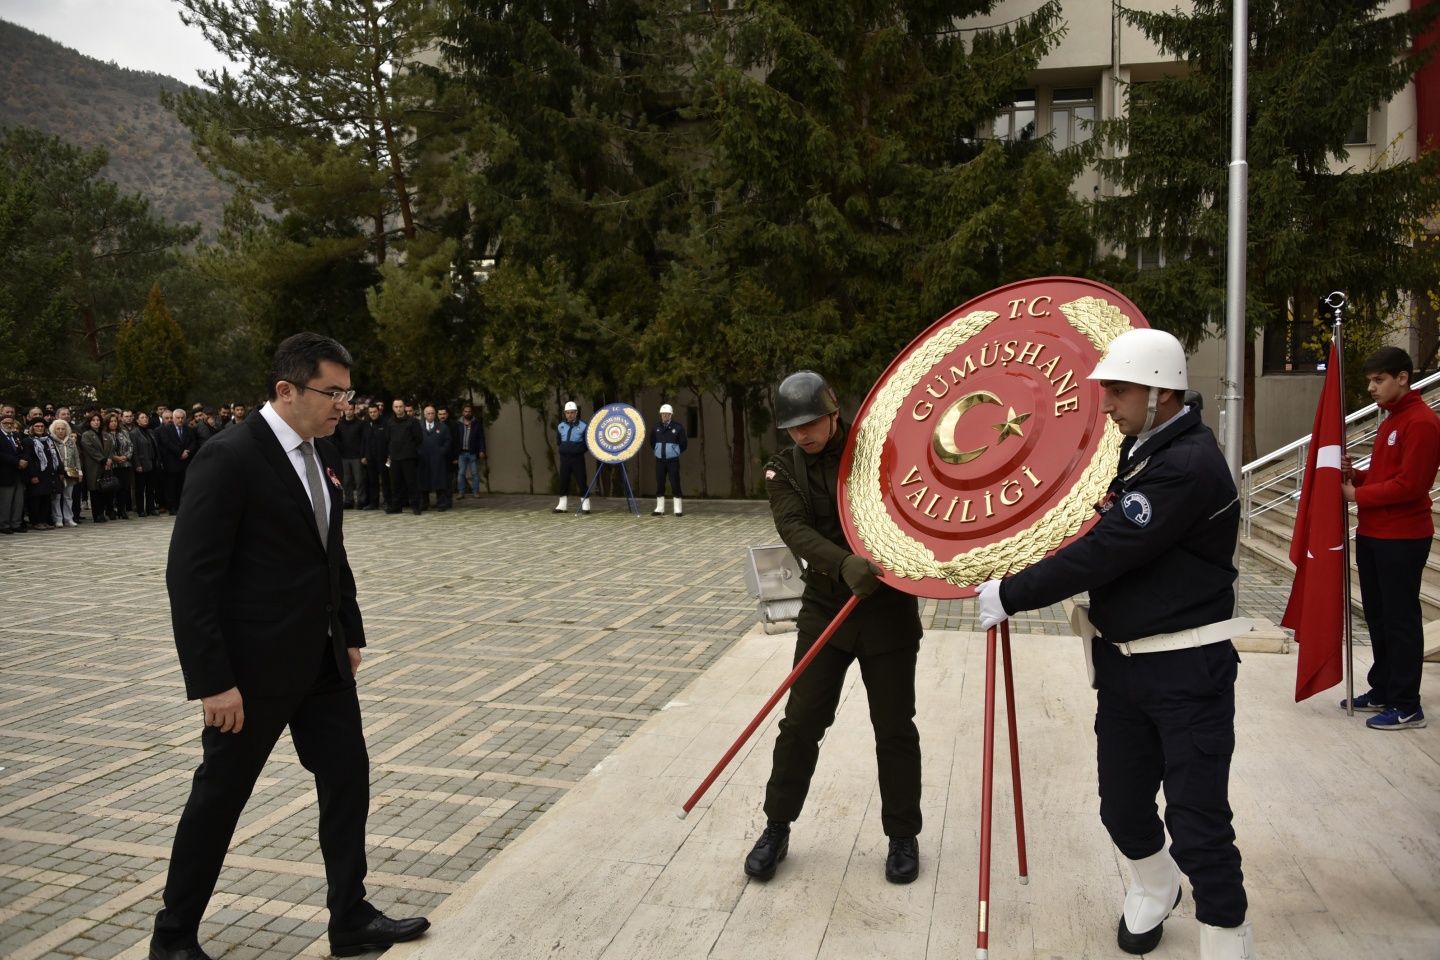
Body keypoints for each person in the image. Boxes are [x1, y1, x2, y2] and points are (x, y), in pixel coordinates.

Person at [149, 333, 430, 960]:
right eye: (333, 393)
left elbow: (330, 549)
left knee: (347, 778)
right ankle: (173, 938)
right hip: (250, 676)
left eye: (348, 394)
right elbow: (190, 578)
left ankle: (350, 918)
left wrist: (349, 631)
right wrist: (212, 681)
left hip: (323, 662)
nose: (344, 407)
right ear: (286, 390)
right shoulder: (229, 456)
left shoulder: (319, 452)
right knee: (220, 797)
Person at [977, 328, 1254, 960]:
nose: (1107, 405)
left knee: (1198, 825)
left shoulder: (1186, 464)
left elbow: (1108, 550)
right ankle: (1156, 887)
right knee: (1123, 809)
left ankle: (1227, 939)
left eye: (1119, 391)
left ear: (1161, 393)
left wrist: (1012, 594)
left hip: (1186, 670)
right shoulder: (1145, 449)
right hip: (1126, 670)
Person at [744, 371, 924, 886]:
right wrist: (843, 563)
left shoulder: (876, 453)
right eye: (792, 427)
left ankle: (902, 835)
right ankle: (776, 827)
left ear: (833, 412)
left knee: (894, 728)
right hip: (826, 607)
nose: (802, 433)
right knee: (801, 722)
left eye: (811, 422)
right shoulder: (783, 469)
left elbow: (915, 504)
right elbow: (794, 528)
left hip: (887, 611)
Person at [1340, 346, 1439, 731]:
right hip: (1374, 532)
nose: (1371, 388)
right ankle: (1382, 689)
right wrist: (1358, 476)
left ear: (1403, 377)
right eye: (1369, 380)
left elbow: (1412, 485)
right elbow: (1387, 476)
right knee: (1379, 617)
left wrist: (1356, 495)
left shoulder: (1422, 422)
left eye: (1378, 380)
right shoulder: (1392, 420)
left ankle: (1407, 704)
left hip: (1403, 537)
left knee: (1400, 621)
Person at [386, 399, 424, 515]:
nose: (398, 409)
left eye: (400, 406)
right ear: (393, 408)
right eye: (396, 407)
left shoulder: (412, 421)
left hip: (408, 457)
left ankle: (415, 506)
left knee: (411, 483)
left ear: (404, 407)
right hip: (395, 458)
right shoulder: (390, 422)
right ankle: (396, 506)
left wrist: (409, 446)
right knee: (395, 483)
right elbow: (387, 438)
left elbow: (419, 438)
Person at [156, 409, 198, 515]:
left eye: (182, 418)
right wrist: (180, 453)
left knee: (182, 486)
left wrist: (187, 451)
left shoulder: (189, 430)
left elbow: (193, 442)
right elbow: (167, 443)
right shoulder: (166, 429)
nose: (180, 420)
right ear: (174, 418)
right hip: (172, 462)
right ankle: (172, 507)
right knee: (171, 486)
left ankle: (181, 506)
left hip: (185, 463)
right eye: (178, 418)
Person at [649, 402, 688, 516]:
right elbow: (652, 442)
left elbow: (683, 443)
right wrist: (658, 451)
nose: (664, 415)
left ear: (671, 415)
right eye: (663, 413)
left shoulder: (678, 427)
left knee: (675, 482)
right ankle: (660, 508)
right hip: (660, 460)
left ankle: (677, 509)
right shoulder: (656, 427)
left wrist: (674, 452)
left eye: (666, 414)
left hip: (672, 460)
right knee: (660, 482)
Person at [554, 401, 590, 514]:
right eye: (568, 413)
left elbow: (587, 443)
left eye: (572, 412)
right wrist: (565, 449)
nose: (570, 415)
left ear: (576, 413)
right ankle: (562, 505)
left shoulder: (583, 426)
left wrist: (578, 450)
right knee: (564, 480)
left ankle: (585, 505)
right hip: (565, 457)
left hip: (577, 457)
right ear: (565, 413)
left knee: (581, 480)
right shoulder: (561, 426)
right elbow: (559, 441)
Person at [79, 413, 116, 524]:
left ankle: (103, 512)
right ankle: (97, 515)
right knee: (95, 490)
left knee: (104, 489)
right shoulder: (86, 435)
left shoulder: (105, 434)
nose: (96, 422)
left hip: (107, 465)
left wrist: (109, 459)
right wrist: (103, 460)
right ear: (89, 422)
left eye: (98, 420)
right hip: (94, 465)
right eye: (93, 420)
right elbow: (90, 450)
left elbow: (111, 448)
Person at [25, 417, 60, 529]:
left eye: (42, 426)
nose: (39, 428)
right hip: (37, 473)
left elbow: (55, 456)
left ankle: (45, 520)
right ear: (32, 428)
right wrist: (33, 475)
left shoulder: (48, 440)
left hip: (49, 473)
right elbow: (29, 459)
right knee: (36, 498)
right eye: (37, 426)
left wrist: (59, 471)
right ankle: (36, 521)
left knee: (46, 497)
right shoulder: (28, 441)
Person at [417, 405, 452, 511]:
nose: (430, 415)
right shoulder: (418, 426)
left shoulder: (442, 427)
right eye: (428, 413)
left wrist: (442, 451)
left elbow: (448, 441)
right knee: (423, 481)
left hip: (438, 459)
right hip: (422, 458)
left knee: (439, 481)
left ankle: (441, 503)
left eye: (432, 413)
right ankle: (423, 503)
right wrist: (418, 451)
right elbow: (412, 440)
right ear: (424, 414)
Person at [0, 412, 29, 533]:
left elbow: (25, 450)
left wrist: (24, 460)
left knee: (18, 501)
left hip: (20, 473)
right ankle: (4, 524)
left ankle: (16, 523)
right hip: (5, 473)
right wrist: (17, 461)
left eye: (11, 423)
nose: (8, 425)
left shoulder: (17, 435)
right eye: (5, 423)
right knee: (6, 501)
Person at [335, 403, 367, 509]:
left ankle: (361, 500)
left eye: (351, 409)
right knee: (346, 480)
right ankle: (349, 500)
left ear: (354, 410)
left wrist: (363, 455)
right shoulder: (339, 424)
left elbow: (364, 440)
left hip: (357, 456)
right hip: (344, 456)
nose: (349, 412)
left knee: (359, 480)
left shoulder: (360, 423)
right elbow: (336, 439)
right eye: (347, 410)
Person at [50, 417, 80, 527]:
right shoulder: (51, 441)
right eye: (58, 429)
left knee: (68, 496)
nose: (60, 431)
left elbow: (76, 457)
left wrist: (79, 472)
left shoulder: (71, 441)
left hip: (70, 472)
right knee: (56, 497)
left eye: (63, 429)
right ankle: (57, 518)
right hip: (57, 473)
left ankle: (68, 518)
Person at [132, 411, 161, 517]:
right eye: (142, 417)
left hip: (152, 462)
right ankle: (140, 509)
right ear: (137, 420)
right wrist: (137, 464)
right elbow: (134, 451)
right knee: (140, 488)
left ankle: (150, 508)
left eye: (146, 417)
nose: (145, 419)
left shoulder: (150, 431)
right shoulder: (134, 433)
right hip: (142, 463)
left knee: (151, 487)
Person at [362, 402, 390, 510]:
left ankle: (388, 501)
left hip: (383, 457)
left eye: (374, 412)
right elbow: (363, 440)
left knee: (385, 481)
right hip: (370, 457)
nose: (373, 414)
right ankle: (374, 502)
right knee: (372, 481)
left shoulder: (385, 423)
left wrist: (389, 455)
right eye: (371, 412)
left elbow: (389, 440)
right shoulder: (366, 423)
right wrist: (363, 455)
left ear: (379, 411)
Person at [106, 412, 134, 520]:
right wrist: (114, 457)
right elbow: (105, 449)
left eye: (115, 421)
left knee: (123, 488)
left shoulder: (123, 432)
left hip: (124, 464)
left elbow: (130, 445)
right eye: (111, 421)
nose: (113, 423)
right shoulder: (105, 434)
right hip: (112, 465)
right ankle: (110, 510)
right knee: (112, 489)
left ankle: (122, 510)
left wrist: (126, 456)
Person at [456, 404, 486, 499]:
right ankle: (461, 493)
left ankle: (475, 492)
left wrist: (482, 450)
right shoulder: (458, 424)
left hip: (473, 452)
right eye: (466, 411)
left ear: (471, 412)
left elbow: (481, 438)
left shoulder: (477, 424)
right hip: (461, 453)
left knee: (475, 473)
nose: (467, 413)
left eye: (469, 412)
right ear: (462, 412)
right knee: (461, 473)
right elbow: (455, 438)